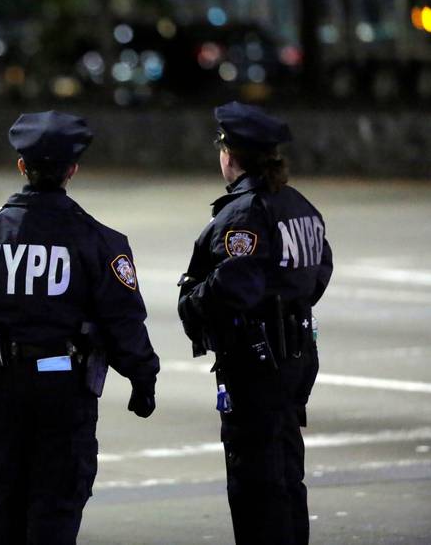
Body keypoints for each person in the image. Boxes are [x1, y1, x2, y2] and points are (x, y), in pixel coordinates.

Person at [0, 110, 160, 545]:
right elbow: (122, 319)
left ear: (22, 166)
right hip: (64, 391)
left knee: (9, 502)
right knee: (56, 504)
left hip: (2, 387)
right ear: (73, 170)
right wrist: (142, 376)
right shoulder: (98, 240)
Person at [177, 102, 333, 545]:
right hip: (294, 354)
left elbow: (233, 286)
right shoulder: (299, 206)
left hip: (257, 360)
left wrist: (191, 302)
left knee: (255, 483)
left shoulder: (244, 213)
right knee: (286, 473)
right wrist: (290, 303)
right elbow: (320, 267)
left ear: (230, 154)